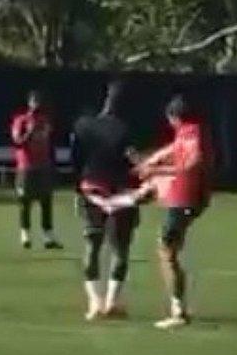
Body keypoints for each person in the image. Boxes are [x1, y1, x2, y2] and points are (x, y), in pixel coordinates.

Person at [86, 95, 212, 329]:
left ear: (173, 117)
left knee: (167, 251)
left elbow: (193, 162)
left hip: (186, 197)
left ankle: (178, 311)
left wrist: (159, 170)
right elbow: (171, 150)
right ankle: (115, 203)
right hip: (181, 195)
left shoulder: (194, 133)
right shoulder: (188, 132)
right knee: (149, 197)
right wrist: (150, 164)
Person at [71, 81, 140, 321]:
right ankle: (112, 301)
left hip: (91, 189)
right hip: (120, 191)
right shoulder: (126, 130)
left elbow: (76, 161)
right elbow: (135, 163)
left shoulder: (83, 126)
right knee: (120, 248)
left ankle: (94, 301)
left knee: (92, 242)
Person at [10, 90, 62, 250]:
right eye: (34, 101)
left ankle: (48, 236)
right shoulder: (21, 120)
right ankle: (25, 234)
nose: (37, 104)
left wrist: (52, 164)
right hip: (27, 166)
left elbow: (49, 142)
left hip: (43, 166)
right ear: (29, 102)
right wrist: (29, 132)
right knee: (25, 201)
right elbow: (17, 141)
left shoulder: (45, 121)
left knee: (46, 201)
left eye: (39, 100)